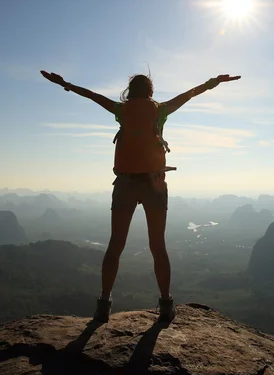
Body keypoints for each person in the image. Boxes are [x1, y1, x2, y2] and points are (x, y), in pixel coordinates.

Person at [40, 69, 241, 323]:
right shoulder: (161, 110)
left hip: (125, 184)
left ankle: (103, 305)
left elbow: (91, 95)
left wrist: (65, 84)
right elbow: (189, 95)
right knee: (158, 247)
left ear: (130, 91)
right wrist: (213, 83)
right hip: (154, 185)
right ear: (151, 91)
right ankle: (166, 304)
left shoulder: (121, 110)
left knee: (115, 245)